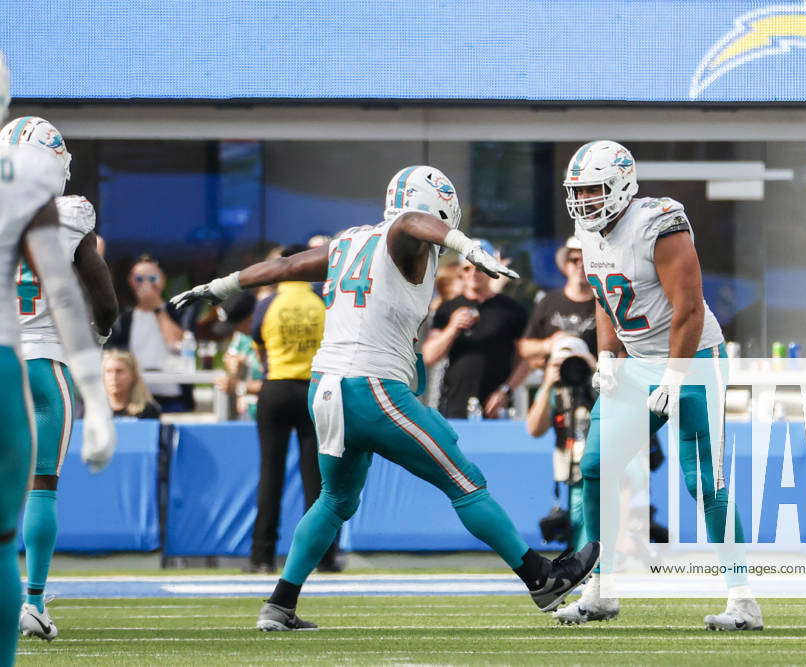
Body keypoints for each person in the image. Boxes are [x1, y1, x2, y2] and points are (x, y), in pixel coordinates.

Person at [172, 164, 599, 631]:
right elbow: (411, 223)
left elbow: (287, 267)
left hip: (327, 387)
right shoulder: (404, 233)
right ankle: (541, 578)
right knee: (463, 478)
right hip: (369, 386)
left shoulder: (348, 241)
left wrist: (224, 283)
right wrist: (470, 248)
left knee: (334, 499)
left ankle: (279, 604)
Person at [555, 140, 762, 630]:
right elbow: (606, 300)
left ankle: (742, 598)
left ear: (622, 185)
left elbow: (688, 308)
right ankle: (601, 590)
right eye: (577, 192)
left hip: (694, 361)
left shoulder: (660, 224)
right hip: (637, 362)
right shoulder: (589, 234)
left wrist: (673, 375)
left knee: (705, 481)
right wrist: (608, 356)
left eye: (593, 190)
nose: (584, 202)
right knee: (595, 466)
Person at [0, 63, 116, 659]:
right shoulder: (69, 214)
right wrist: (99, 337)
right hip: (43, 367)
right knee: (41, 489)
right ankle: (35, 603)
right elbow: (103, 299)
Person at [243, 244, 327, 573]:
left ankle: (261, 557)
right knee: (318, 480)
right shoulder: (321, 303)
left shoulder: (268, 304)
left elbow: (258, 347)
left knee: (270, 475)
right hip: (312, 389)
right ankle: (323, 558)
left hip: (275, 387)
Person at [422, 240, 528, 418]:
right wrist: (452, 328)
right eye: (467, 268)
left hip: (497, 407)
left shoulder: (511, 309)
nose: (473, 273)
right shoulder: (448, 308)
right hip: (454, 404)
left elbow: (526, 359)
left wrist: (506, 390)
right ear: (460, 272)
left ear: (490, 269)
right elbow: (430, 356)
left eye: (479, 268)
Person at [525, 337, 595, 553]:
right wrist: (547, 384)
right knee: (577, 515)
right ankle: (584, 559)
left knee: (595, 513)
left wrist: (594, 369)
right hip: (572, 468)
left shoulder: (597, 385)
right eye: (560, 363)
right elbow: (534, 429)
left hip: (600, 464)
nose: (569, 368)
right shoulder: (555, 392)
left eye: (573, 361)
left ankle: (592, 559)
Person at [107, 255, 190, 411]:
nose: (146, 284)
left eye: (152, 278)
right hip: (136, 396)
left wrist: (158, 308)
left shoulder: (178, 311)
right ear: (131, 281)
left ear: (163, 280)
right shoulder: (123, 318)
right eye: (139, 279)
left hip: (172, 395)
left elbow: (179, 344)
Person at [519, 236, 597, 363]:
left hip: (595, 379)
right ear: (565, 265)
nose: (580, 266)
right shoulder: (548, 301)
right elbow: (524, 347)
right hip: (555, 377)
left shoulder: (604, 303)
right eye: (574, 260)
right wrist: (549, 344)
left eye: (587, 260)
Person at [214, 292, 264, 420]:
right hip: (248, 409)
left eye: (236, 326)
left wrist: (238, 387)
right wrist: (233, 365)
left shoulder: (269, 336)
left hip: (272, 411)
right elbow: (230, 357)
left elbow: (276, 386)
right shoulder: (242, 335)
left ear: (250, 318)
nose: (236, 332)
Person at [103, 350, 161, 419]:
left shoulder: (147, 410)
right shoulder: (91, 409)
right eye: (108, 371)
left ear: (133, 375)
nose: (114, 377)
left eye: (119, 371)